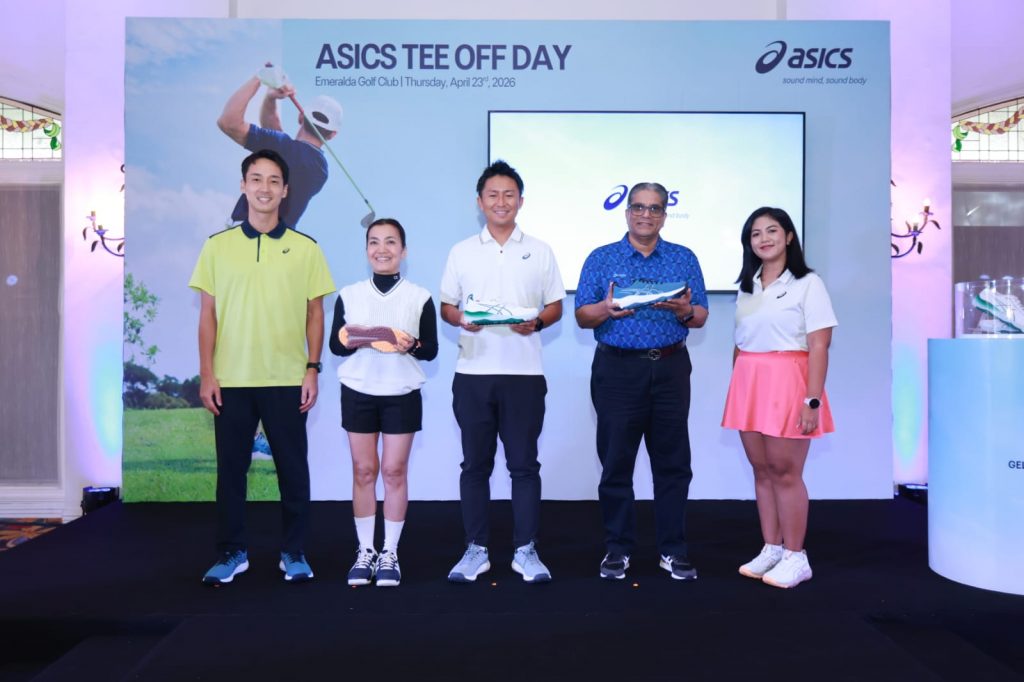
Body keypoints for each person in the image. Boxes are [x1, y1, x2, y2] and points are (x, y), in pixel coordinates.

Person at [189, 148, 336, 585]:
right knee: (231, 472)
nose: (264, 188)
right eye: (256, 179)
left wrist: (312, 368)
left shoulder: (306, 248)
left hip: (286, 378)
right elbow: (207, 315)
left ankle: (294, 552)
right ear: (243, 185)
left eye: (274, 181)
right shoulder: (217, 246)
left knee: (293, 470)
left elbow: (315, 314)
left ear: (285, 190)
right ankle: (232, 552)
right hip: (230, 379)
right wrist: (207, 373)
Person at [439, 160, 565, 584]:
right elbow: (447, 305)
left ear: (521, 201)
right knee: (475, 466)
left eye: (509, 194)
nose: (501, 201)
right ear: (479, 202)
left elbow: (555, 305)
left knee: (524, 466)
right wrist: (461, 319)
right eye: (492, 195)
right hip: (472, 373)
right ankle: (475, 550)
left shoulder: (540, 250)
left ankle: (525, 551)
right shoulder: (461, 251)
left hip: (524, 375)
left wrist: (538, 323)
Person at [575, 182, 708, 582]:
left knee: (673, 464)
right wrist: (605, 309)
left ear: (665, 214)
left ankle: (673, 549)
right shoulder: (602, 258)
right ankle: (618, 549)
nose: (645, 215)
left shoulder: (683, 258)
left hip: (670, 368)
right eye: (638, 207)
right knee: (616, 463)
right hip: (617, 370)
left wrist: (684, 311)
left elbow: (700, 315)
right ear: (627, 212)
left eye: (654, 208)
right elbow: (581, 315)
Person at [721, 206, 837, 589]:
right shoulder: (747, 286)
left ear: (788, 236)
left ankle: (796, 556)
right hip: (749, 383)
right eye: (755, 233)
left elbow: (819, 346)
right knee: (762, 471)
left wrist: (812, 400)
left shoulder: (808, 283)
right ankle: (772, 547)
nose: (764, 239)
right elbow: (740, 342)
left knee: (786, 472)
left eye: (772, 231)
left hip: (789, 383)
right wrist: (738, 387)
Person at [328, 218, 438, 587]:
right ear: (366, 251)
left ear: (403, 251)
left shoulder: (419, 297)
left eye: (391, 242)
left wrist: (411, 344)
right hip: (358, 390)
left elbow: (430, 350)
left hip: (401, 393)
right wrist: (354, 339)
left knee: (393, 472)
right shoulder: (350, 294)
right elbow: (336, 347)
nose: (382, 249)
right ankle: (365, 551)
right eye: (374, 242)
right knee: (363, 471)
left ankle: (390, 552)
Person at [218, 71, 342, 228]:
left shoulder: (282, 147)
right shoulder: (320, 169)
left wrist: (259, 77)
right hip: (279, 240)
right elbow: (277, 139)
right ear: (332, 134)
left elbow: (229, 123)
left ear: (301, 117)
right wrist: (270, 99)